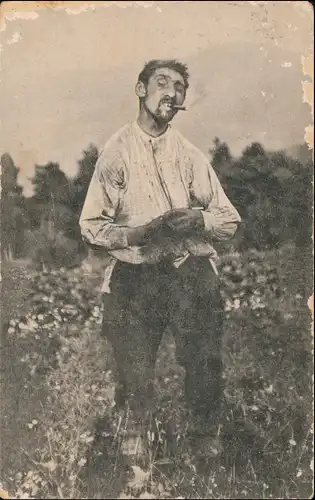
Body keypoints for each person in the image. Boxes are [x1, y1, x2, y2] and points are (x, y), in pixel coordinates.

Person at [79, 59, 241, 429]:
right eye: (162, 83)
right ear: (141, 90)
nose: (172, 93)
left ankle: (206, 451)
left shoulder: (188, 154)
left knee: (204, 366)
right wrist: (138, 234)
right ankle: (137, 458)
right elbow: (91, 226)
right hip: (135, 277)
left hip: (190, 272)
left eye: (180, 87)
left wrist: (200, 220)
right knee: (133, 372)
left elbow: (229, 220)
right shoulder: (117, 153)